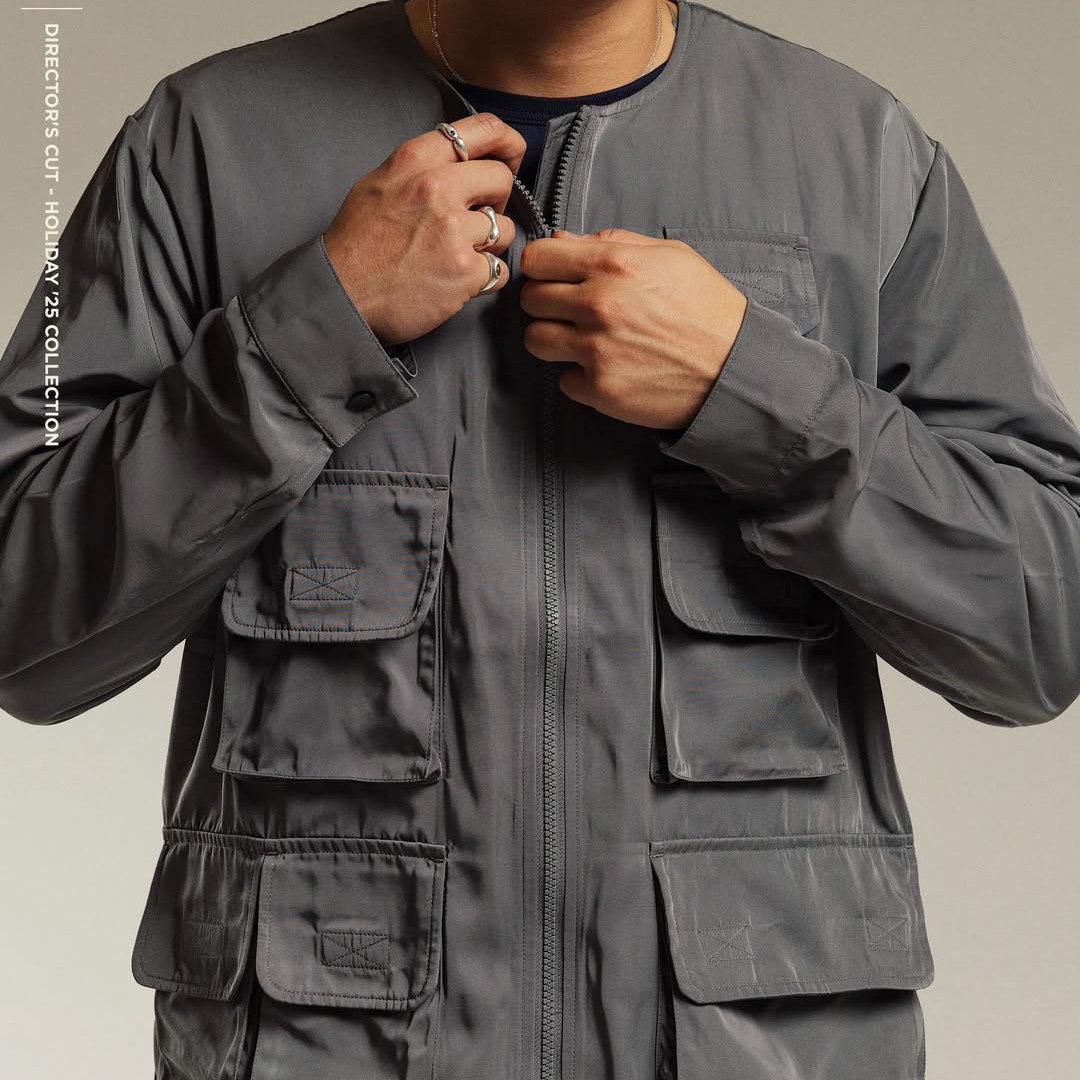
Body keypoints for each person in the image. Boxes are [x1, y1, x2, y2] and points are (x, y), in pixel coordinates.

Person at [1, 1, 1078, 1077]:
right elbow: (21, 624)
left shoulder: (863, 155)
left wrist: (756, 392)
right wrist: (310, 331)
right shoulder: (201, 147)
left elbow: (1042, 629)